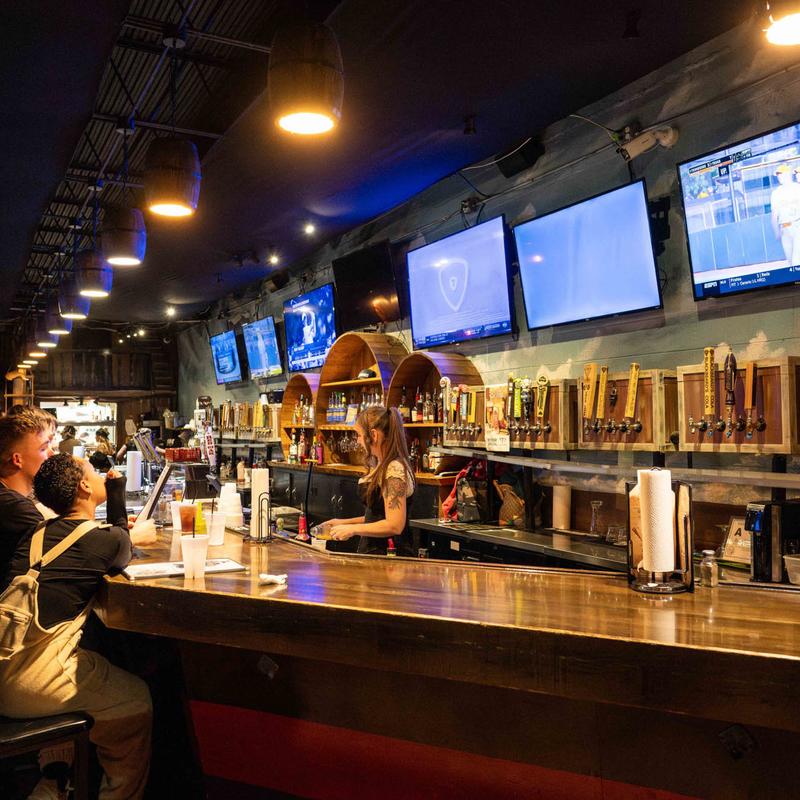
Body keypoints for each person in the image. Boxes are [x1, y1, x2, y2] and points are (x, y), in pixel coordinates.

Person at [0, 454, 152, 799]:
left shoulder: (37, 533)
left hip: (6, 666)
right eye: (92, 472)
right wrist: (116, 491)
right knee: (135, 701)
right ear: (84, 485)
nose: (97, 475)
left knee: (91, 663)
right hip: (31, 682)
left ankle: (54, 784)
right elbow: (123, 544)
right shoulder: (104, 540)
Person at [325, 406, 415, 555]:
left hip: (389, 557)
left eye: (359, 435)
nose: (358, 441)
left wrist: (352, 529)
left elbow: (395, 525)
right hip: (376, 553)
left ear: (373, 435)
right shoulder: (383, 464)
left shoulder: (394, 469)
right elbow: (376, 517)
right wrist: (343, 523)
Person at [0, 408, 58, 585]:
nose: (52, 454)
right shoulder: (12, 506)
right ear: (17, 459)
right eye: (44, 448)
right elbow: (76, 549)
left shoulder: (16, 499)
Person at [770, 163, 800, 265]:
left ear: (788, 174)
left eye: (781, 174)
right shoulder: (776, 193)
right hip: (784, 229)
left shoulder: (797, 188)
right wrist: (776, 231)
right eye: (778, 175)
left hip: (798, 225)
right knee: (790, 262)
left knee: (796, 261)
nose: (779, 177)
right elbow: (774, 214)